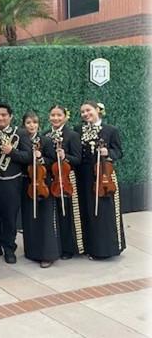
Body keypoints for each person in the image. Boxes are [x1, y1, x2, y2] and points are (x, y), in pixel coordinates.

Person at [74, 101, 125, 259]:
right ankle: (88, 246)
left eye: (88, 110)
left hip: (103, 175)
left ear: (97, 110)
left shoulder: (110, 130)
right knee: (86, 210)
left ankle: (105, 249)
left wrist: (107, 152)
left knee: (103, 211)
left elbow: (118, 151)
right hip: (83, 176)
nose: (85, 114)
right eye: (82, 112)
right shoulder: (78, 130)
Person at [0, 103, 31, 264]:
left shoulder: (21, 133)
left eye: (4, 115)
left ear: (10, 117)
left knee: (10, 217)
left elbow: (28, 157)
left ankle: (9, 248)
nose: (0, 118)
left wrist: (12, 152)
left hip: (11, 182)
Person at [20, 111, 60, 268]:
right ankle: (32, 251)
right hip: (28, 183)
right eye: (29, 122)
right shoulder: (21, 140)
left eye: (35, 122)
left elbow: (52, 161)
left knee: (45, 219)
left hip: (43, 183)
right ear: (24, 124)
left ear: (38, 124)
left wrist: (41, 158)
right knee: (30, 218)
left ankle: (47, 254)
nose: (32, 125)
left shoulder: (46, 140)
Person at [44, 105, 83, 260]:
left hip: (66, 179)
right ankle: (56, 245)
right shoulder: (45, 135)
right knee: (54, 213)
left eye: (59, 115)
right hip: (51, 179)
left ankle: (68, 248)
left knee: (66, 213)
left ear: (65, 117)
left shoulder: (72, 135)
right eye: (53, 115)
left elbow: (78, 159)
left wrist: (64, 156)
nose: (56, 118)